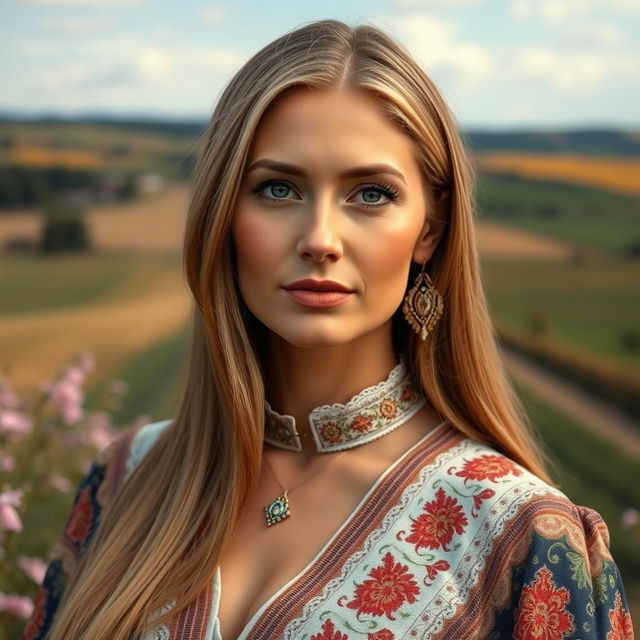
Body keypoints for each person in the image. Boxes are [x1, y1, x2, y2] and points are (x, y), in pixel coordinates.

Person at [23, 18, 634, 640]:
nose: (319, 239)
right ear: (223, 213)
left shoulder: (521, 536)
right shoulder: (126, 479)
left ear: (429, 230)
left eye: (370, 194)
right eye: (278, 188)